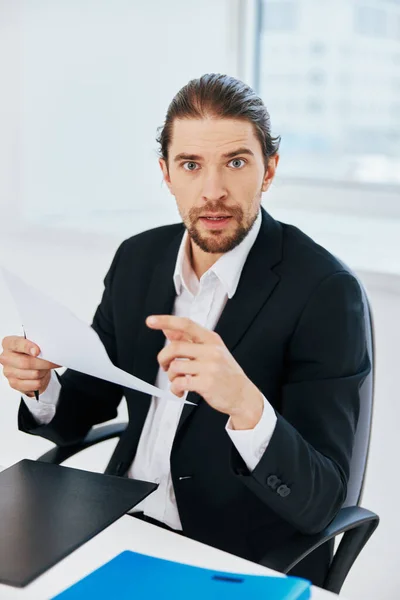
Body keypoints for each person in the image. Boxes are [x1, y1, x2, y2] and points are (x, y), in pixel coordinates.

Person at [0, 74, 370, 586]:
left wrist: (245, 404)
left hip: (230, 556)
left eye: (236, 162)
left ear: (270, 170)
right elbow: (84, 405)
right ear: (166, 174)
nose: (213, 191)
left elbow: (320, 499)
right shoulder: (138, 258)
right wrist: (41, 383)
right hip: (116, 524)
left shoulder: (324, 291)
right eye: (191, 165)